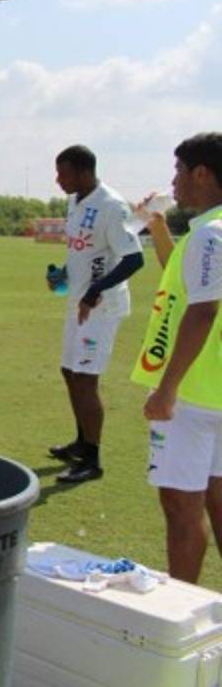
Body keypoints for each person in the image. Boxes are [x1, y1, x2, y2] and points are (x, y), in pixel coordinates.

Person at [133, 132, 222, 584]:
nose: (174, 180)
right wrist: (158, 227)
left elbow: (204, 310)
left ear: (202, 173)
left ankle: (180, 607)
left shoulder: (210, 233)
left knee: (181, 507)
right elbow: (184, 279)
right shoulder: (208, 232)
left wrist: (167, 390)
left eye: (179, 171)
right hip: (216, 395)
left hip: (194, 396)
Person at [48, 145, 144, 483]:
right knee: (69, 371)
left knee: (86, 378)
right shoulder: (75, 201)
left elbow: (134, 259)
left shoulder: (111, 205)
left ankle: (93, 459)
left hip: (102, 308)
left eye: (63, 173)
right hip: (78, 303)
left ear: (84, 172)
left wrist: (94, 289)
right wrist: (62, 274)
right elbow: (84, 252)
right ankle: (81, 440)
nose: (58, 180)